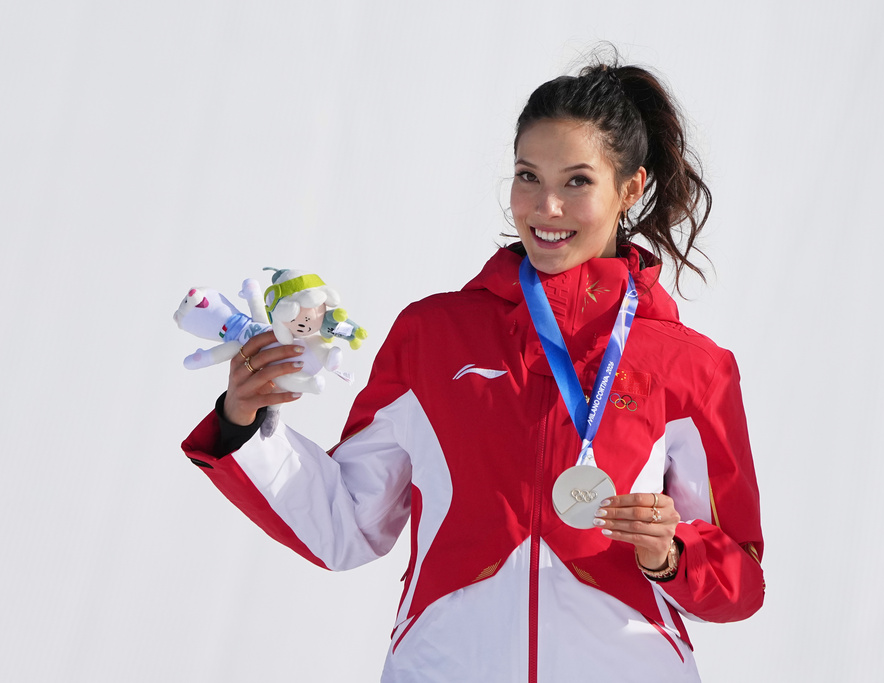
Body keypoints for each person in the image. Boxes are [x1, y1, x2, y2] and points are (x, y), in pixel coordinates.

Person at [182, 56, 764, 683]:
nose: (546, 205)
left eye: (576, 182)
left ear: (629, 188)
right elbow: (349, 524)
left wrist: (670, 553)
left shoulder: (691, 366)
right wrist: (243, 422)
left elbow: (741, 579)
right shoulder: (432, 337)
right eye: (527, 175)